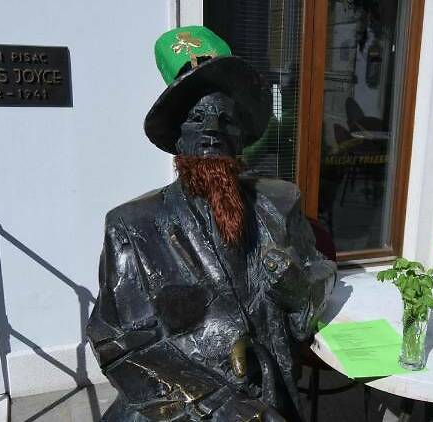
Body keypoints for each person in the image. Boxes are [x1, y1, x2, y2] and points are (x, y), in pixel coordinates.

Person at [86, 26, 336, 422]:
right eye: (197, 117)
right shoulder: (133, 226)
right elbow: (119, 340)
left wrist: (298, 287)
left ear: (241, 137)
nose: (212, 130)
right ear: (177, 137)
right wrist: (213, 400)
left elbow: (323, 271)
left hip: (271, 390)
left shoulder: (278, 201)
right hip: (178, 404)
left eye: (226, 119)